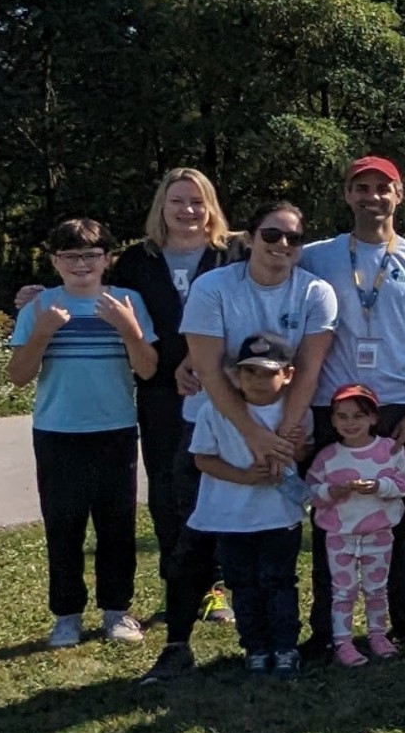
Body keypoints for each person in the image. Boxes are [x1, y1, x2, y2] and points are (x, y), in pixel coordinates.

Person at [140, 201, 338, 685]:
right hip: (215, 424)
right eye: (272, 236)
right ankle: (177, 645)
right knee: (192, 543)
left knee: (282, 541)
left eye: (294, 238)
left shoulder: (316, 291)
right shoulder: (214, 287)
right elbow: (207, 368)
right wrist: (253, 435)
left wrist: (284, 438)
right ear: (250, 238)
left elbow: (309, 371)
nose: (283, 246)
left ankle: (294, 640)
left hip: (284, 428)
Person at [297, 155, 405, 658]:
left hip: (394, 407)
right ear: (347, 195)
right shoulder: (315, 257)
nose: (372, 197)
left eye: (382, 188)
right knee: (332, 513)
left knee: (402, 510)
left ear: (399, 194)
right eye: (361, 188)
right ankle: (328, 623)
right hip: (333, 406)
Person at [68, 169, 237, 635]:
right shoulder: (137, 262)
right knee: (166, 489)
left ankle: (217, 590)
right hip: (160, 392)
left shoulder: (232, 255)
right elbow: (88, 289)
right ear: (161, 206)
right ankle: (178, 586)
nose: (187, 210)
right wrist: (36, 296)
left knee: (216, 482)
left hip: (223, 387)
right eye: (178, 201)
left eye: (197, 202)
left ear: (210, 208)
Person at [8, 218, 158, 648]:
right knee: (64, 525)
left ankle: (117, 611)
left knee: (117, 525)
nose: (81, 264)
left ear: (107, 259)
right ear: (54, 261)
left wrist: (128, 329)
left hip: (115, 430)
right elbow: (19, 376)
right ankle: (67, 616)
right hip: (57, 431)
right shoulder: (39, 307)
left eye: (91, 255)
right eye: (70, 256)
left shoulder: (127, 301)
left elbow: (147, 368)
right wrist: (40, 334)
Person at [191, 334, 313, 679]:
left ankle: (286, 647)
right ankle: (256, 648)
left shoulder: (294, 410)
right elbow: (202, 458)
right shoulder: (214, 410)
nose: (258, 381)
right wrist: (242, 476)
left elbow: (303, 455)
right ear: (234, 375)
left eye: (267, 372)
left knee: (279, 582)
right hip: (231, 517)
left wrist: (299, 449)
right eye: (249, 372)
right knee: (242, 584)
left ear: (287, 374)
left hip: (279, 516)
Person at [307, 383, 405, 667]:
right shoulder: (328, 456)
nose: (350, 423)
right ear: (333, 420)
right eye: (342, 416)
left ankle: (377, 635)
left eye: (358, 416)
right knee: (343, 590)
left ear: (373, 418)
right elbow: (312, 491)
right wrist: (332, 492)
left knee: (376, 588)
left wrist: (379, 486)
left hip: (379, 533)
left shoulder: (389, 450)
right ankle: (342, 641)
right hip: (340, 535)